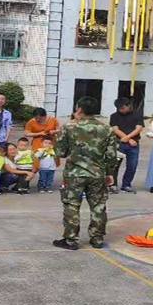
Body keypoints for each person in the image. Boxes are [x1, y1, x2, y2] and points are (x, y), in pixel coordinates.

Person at [53, 97, 117, 250]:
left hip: (74, 174)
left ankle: (70, 239)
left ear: (79, 109)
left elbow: (60, 152)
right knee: (98, 206)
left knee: (72, 205)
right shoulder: (106, 129)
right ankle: (97, 238)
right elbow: (111, 155)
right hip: (97, 174)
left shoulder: (69, 127)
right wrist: (110, 173)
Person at [108, 97, 144, 194]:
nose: (121, 110)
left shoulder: (137, 115)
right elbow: (115, 129)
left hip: (134, 144)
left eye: (123, 108)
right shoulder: (114, 116)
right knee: (114, 165)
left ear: (129, 106)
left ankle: (126, 185)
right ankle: (112, 185)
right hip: (119, 143)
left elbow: (138, 128)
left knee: (132, 165)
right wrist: (128, 139)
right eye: (119, 108)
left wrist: (128, 138)